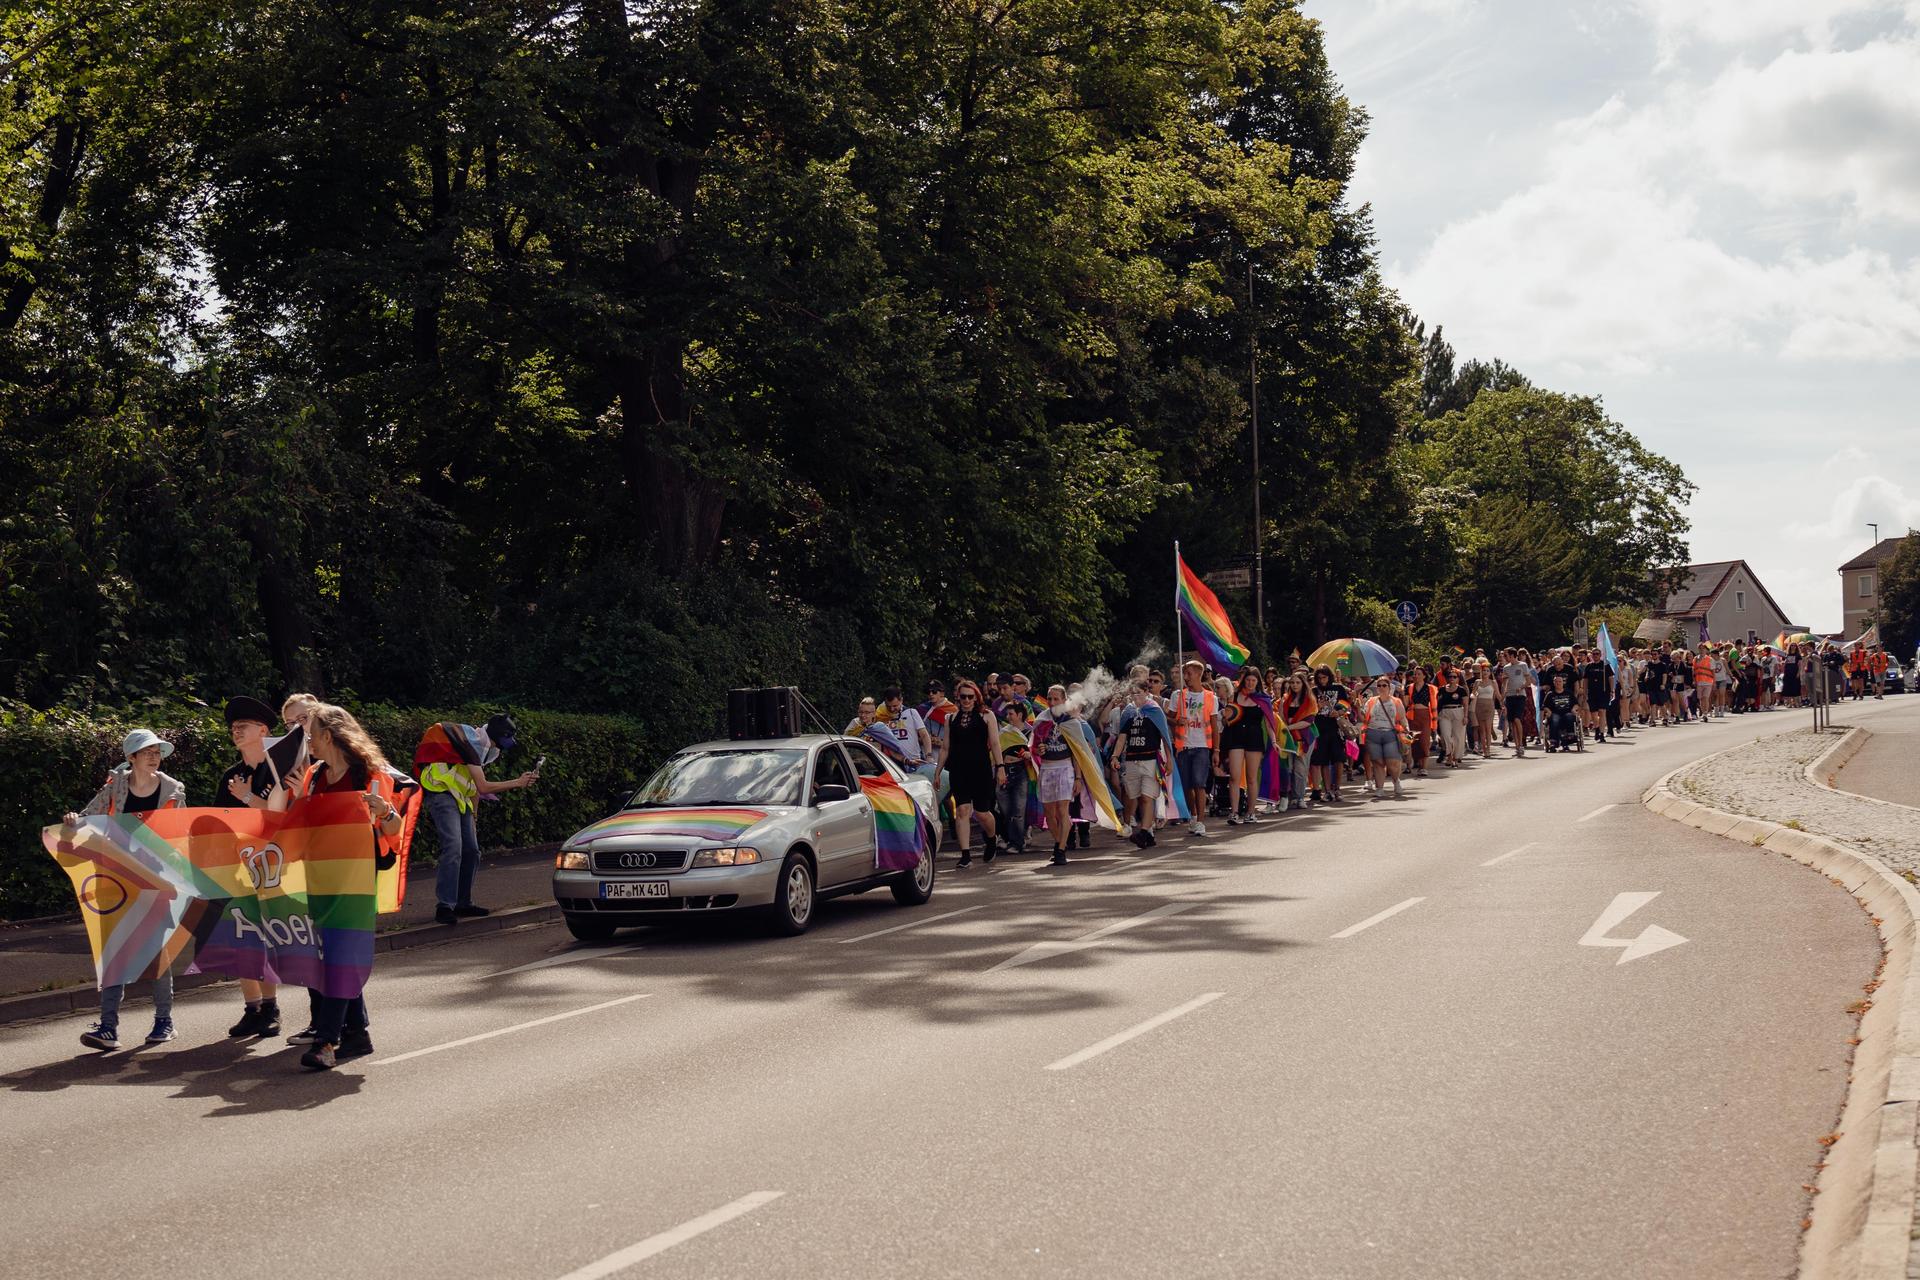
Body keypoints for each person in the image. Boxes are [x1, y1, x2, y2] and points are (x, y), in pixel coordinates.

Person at [276, 703, 406, 1071]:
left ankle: (326, 1043)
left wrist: (384, 811)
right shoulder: (314, 776)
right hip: (319, 879)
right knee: (332, 954)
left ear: (329, 736)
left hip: (355, 881)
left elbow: (393, 831)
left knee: (338, 956)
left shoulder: (370, 775)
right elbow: (303, 825)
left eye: (312, 734)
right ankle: (358, 1034)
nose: (309, 741)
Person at [66, 729, 185, 1051]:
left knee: (156, 952)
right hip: (116, 878)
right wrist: (74, 819)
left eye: (157, 752)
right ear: (131, 758)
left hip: (154, 879)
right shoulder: (115, 785)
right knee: (114, 950)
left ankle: (164, 1022)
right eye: (146, 752)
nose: (154, 756)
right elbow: (88, 816)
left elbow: (176, 835)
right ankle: (108, 1026)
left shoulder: (174, 789)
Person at [413, 713, 538, 926]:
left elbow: (473, 789)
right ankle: (445, 906)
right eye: (501, 743)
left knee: (471, 850)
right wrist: (518, 782)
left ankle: (463, 903)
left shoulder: (478, 745)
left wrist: (474, 816)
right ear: (494, 737)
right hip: (441, 792)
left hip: (460, 797)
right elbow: (483, 786)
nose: (500, 749)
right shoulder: (470, 746)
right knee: (453, 848)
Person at [938, 678, 1004, 868]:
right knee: (962, 810)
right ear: (958, 698)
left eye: (970, 697)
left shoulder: (987, 716)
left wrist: (1000, 768)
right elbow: (945, 747)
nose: (966, 700)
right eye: (962, 697)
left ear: (976, 698)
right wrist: (937, 772)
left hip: (981, 769)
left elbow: (995, 743)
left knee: (982, 813)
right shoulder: (950, 718)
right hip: (959, 770)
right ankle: (965, 855)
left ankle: (992, 838)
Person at [1111, 682, 1165, 848]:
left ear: (1147, 692)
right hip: (1132, 759)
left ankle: (1142, 832)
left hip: (1150, 760)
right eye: (1133, 693)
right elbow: (1122, 737)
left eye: (1139, 693)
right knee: (1139, 797)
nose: (1135, 697)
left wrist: (1168, 760)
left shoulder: (1155, 711)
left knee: (1147, 797)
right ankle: (1148, 833)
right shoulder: (1129, 712)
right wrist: (1115, 756)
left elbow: (1164, 736)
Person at [1169, 660, 1219, 834]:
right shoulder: (1178, 695)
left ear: (1199, 673)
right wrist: (1177, 721)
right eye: (1185, 673)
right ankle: (1193, 815)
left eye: (1189, 673)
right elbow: (1168, 717)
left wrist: (1216, 751)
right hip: (1183, 746)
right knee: (1187, 785)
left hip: (1202, 746)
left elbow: (1214, 725)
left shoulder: (1210, 697)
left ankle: (1200, 822)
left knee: (1199, 783)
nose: (1186, 677)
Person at [1033, 686, 1078, 865]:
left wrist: (1079, 778)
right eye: (1049, 699)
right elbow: (1035, 746)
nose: (1051, 703)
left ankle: (1060, 850)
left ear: (1064, 700)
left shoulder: (1071, 721)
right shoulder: (1041, 720)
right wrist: (1039, 749)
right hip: (1047, 768)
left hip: (1065, 767)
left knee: (1062, 811)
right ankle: (1060, 842)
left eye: (1055, 699)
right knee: (1049, 813)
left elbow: (1078, 753)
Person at [1221, 668, 1267, 825]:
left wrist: (1274, 741)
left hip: (1254, 738)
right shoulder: (1234, 696)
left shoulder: (1263, 698)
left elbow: (1269, 722)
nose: (1250, 683)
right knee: (1234, 776)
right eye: (1248, 680)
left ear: (1258, 682)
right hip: (1236, 737)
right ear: (1243, 681)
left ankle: (1250, 812)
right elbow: (1227, 720)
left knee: (1251, 778)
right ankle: (1234, 812)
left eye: (1253, 680)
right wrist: (1224, 718)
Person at [1359, 676, 1410, 799]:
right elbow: (1364, 719)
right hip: (1373, 733)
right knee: (1377, 762)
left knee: (1392, 762)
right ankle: (1380, 788)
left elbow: (1402, 718)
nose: (1381, 688)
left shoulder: (1396, 701)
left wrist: (1406, 729)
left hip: (1390, 733)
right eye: (1379, 686)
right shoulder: (1371, 701)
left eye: (1384, 685)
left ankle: (1396, 780)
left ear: (1389, 687)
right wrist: (1358, 707)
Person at [996, 702, 1032, 856]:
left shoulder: (1031, 733)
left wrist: (1029, 755)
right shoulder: (1003, 732)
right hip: (1004, 771)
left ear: (1020, 715)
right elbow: (995, 751)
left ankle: (1017, 843)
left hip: (1021, 772)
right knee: (1005, 809)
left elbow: (1036, 752)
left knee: (1018, 809)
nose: (1008, 717)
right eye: (1007, 714)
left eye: (1011, 714)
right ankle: (1009, 838)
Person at [1307, 666, 1347, 802]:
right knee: (1323, 761)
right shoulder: (1313, 691)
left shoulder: (1339, 688)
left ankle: (1338, 788)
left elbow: (1346, 704)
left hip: (1335, 728)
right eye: (1319, 678)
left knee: (1339, 759)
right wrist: (1318, 706)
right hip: (1319, 729)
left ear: (1329, 676)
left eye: (1324, 677)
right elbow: (1309, 710)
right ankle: (1328, 790)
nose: (1322, 680)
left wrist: (1339, 712)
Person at [1277, 673, 1317, 808]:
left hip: (1304, 737)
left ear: (1303, 684)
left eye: (1297, 683)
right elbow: (1281, 716)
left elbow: (1308, 721)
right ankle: (1289, 797)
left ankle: (1299, 797)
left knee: (1300, 768)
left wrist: (1290, 726)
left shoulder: (1310, 700)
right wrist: (1286, 727)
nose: (1294, 685)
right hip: (1288, 737)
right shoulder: (1285, 699)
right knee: (1288, 767)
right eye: (1292, 683)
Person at [1498, 649, 1533, 757]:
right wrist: (1502, 697)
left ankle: (1521, 744)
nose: (1505, 657)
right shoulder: (1506, 668)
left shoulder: (1523, 665)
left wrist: (1521, 687)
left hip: (1520, 696)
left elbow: (1528, 681)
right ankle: (1517, 746)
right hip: (1509, 696)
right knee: (1512, 721)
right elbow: (1504, 684)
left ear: (1512, 655)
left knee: (1517, 719)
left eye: (1506, 655)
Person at [1402, 666, 1435, 779]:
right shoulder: (1409, 687)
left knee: (1425, 741)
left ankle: (1424, 767)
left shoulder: (1430, 688)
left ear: (1424, 676)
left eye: (1418, 674)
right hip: (1412, 716)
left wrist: (1435, 722)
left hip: (1425, 715)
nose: (1416, 676)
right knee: (1413, 741)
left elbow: (1434, 705)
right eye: (1415, 674)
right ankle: (1415, 764)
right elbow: (1406, 704)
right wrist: (1403, 690)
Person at [1436, 670, 1468, 767]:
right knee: (1445, 735)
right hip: (1445, 713)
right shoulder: (1441, 689)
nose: (1452, 679)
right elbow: (1437, 702)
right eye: (1450, 677)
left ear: (1458, 679)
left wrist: (1466, 716)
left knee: (1458, 736)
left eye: (1454, 677)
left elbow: (1466, 704)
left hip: (1458, 711)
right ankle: (1449, 755)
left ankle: (1454, 757)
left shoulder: (1461, 690)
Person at [1542, 673, 1581, 751]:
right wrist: (1548, 711)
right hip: (1555, 713)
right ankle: (1553, 742)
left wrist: (1573, 709)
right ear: (1554, 683)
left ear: (1563, 683)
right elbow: (1545, 706)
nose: (1558, 683)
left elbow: (1576, 704)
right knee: (1555, 720)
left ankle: (1569, 737)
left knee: (1570, 717)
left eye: (1560, 681)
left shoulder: (1569, 693)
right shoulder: (1550, 694)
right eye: (1556, 682)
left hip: (1567, 712)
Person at [1469, 662, 1500, 759]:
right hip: (1479, 706)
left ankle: (1488, 749)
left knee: (1487, 729)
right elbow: (1472, 694)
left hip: (1489, 706)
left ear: (1490, 672)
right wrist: (1473, 696)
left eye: (1487, 671)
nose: (1485, 672)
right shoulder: (1477, 682)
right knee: (1481, 730)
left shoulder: (1493, 682)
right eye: (1484, 670)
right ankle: (1484, 749)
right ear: (1481, 672)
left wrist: (1506, 689)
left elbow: (1499, 696)